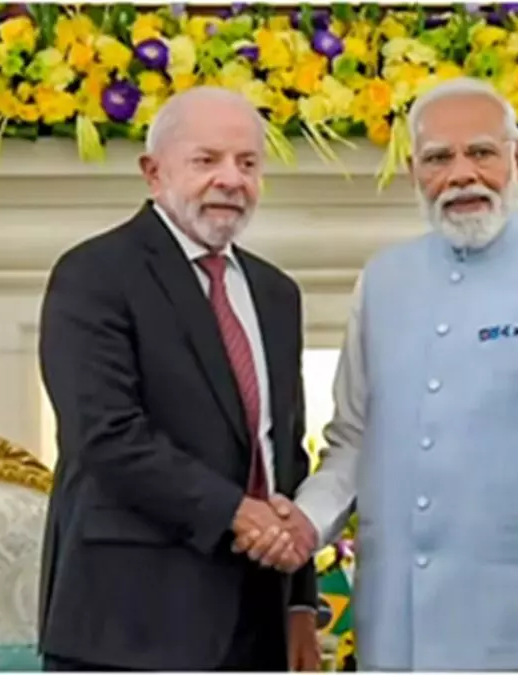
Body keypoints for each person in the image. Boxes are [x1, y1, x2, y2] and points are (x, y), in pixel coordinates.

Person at [237, 77, 518, 670]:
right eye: (439, 158)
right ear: (414, 171)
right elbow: (353, 443)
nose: (462, 174)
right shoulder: (382, 281)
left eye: (482, 153)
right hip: (397, 641)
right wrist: (303, 525)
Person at [36, 87, 319, 672]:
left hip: (256, 624)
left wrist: (299, 602)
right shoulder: (94, 274)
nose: (231, 179)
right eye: (206, 160)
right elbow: (107, 436)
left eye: (247, 163)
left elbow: (283, 454)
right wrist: (239, 513)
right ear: (153, 172)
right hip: (129, 625)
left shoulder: (276, 293)